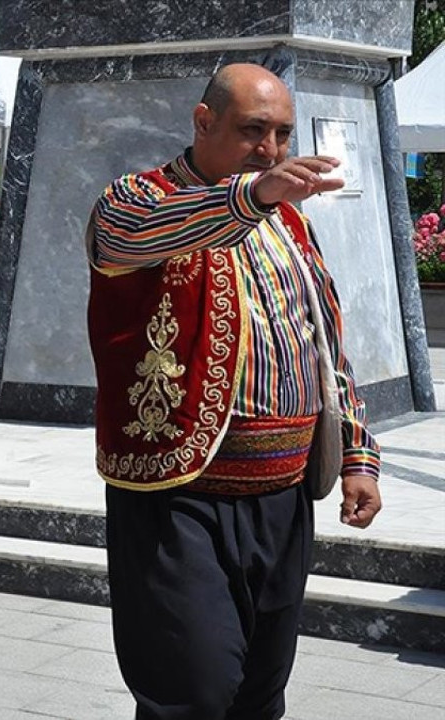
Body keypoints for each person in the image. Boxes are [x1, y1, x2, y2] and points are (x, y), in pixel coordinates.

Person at [86, 63, 382, 720]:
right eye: (253, 130)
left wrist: (358, 454)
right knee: (192, 695)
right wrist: (251, 198)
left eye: (282, 134)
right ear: (204, 121)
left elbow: (324, 342)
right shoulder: (137, 199)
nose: (270, 150)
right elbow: (131, 236)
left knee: (258, 697)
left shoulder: (292, 224)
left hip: (284, 498)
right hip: (179, 498)